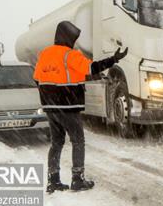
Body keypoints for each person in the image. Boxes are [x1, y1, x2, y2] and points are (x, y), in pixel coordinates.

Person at [34, 21, 128, 193]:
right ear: (67, 37)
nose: (74, 41)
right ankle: (77, 179)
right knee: (78, 141)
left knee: (56, 143)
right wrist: (113, 60)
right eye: (73, 38)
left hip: (51, 107)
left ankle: (53, 180)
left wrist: (51, 94)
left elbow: (37, 78)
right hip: (68, 106)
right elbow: (91, 67)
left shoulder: (45, 54)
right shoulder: (70, 55)